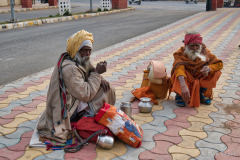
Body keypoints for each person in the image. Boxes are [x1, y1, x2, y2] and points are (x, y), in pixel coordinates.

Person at [37, 30, 116, 143]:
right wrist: (97, 74)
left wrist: (100, 78)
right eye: (85, 50)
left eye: (90, 50)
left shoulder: (79, 59)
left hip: (76, 98)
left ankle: (93, 114)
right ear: (76, 50)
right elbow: (85, 94)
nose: (88, 54)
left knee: (105, 87)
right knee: (103, 92)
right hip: (68, 109)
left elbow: (89, 73)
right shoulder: (70, 68)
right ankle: (87, 118)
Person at [171, 30, 223, 108]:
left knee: (216, 72)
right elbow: (179, 69)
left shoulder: (205, 52)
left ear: (200, 45)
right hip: (186, 80)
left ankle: (200, 93)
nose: (195, 48)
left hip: (199, 78)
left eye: (197, 45)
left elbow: (219, 64)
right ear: (186, 45)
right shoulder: (180, 53)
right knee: (177, 73)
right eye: (192, 45)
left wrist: (209, 69)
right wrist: (183, 86)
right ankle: (180, 95)